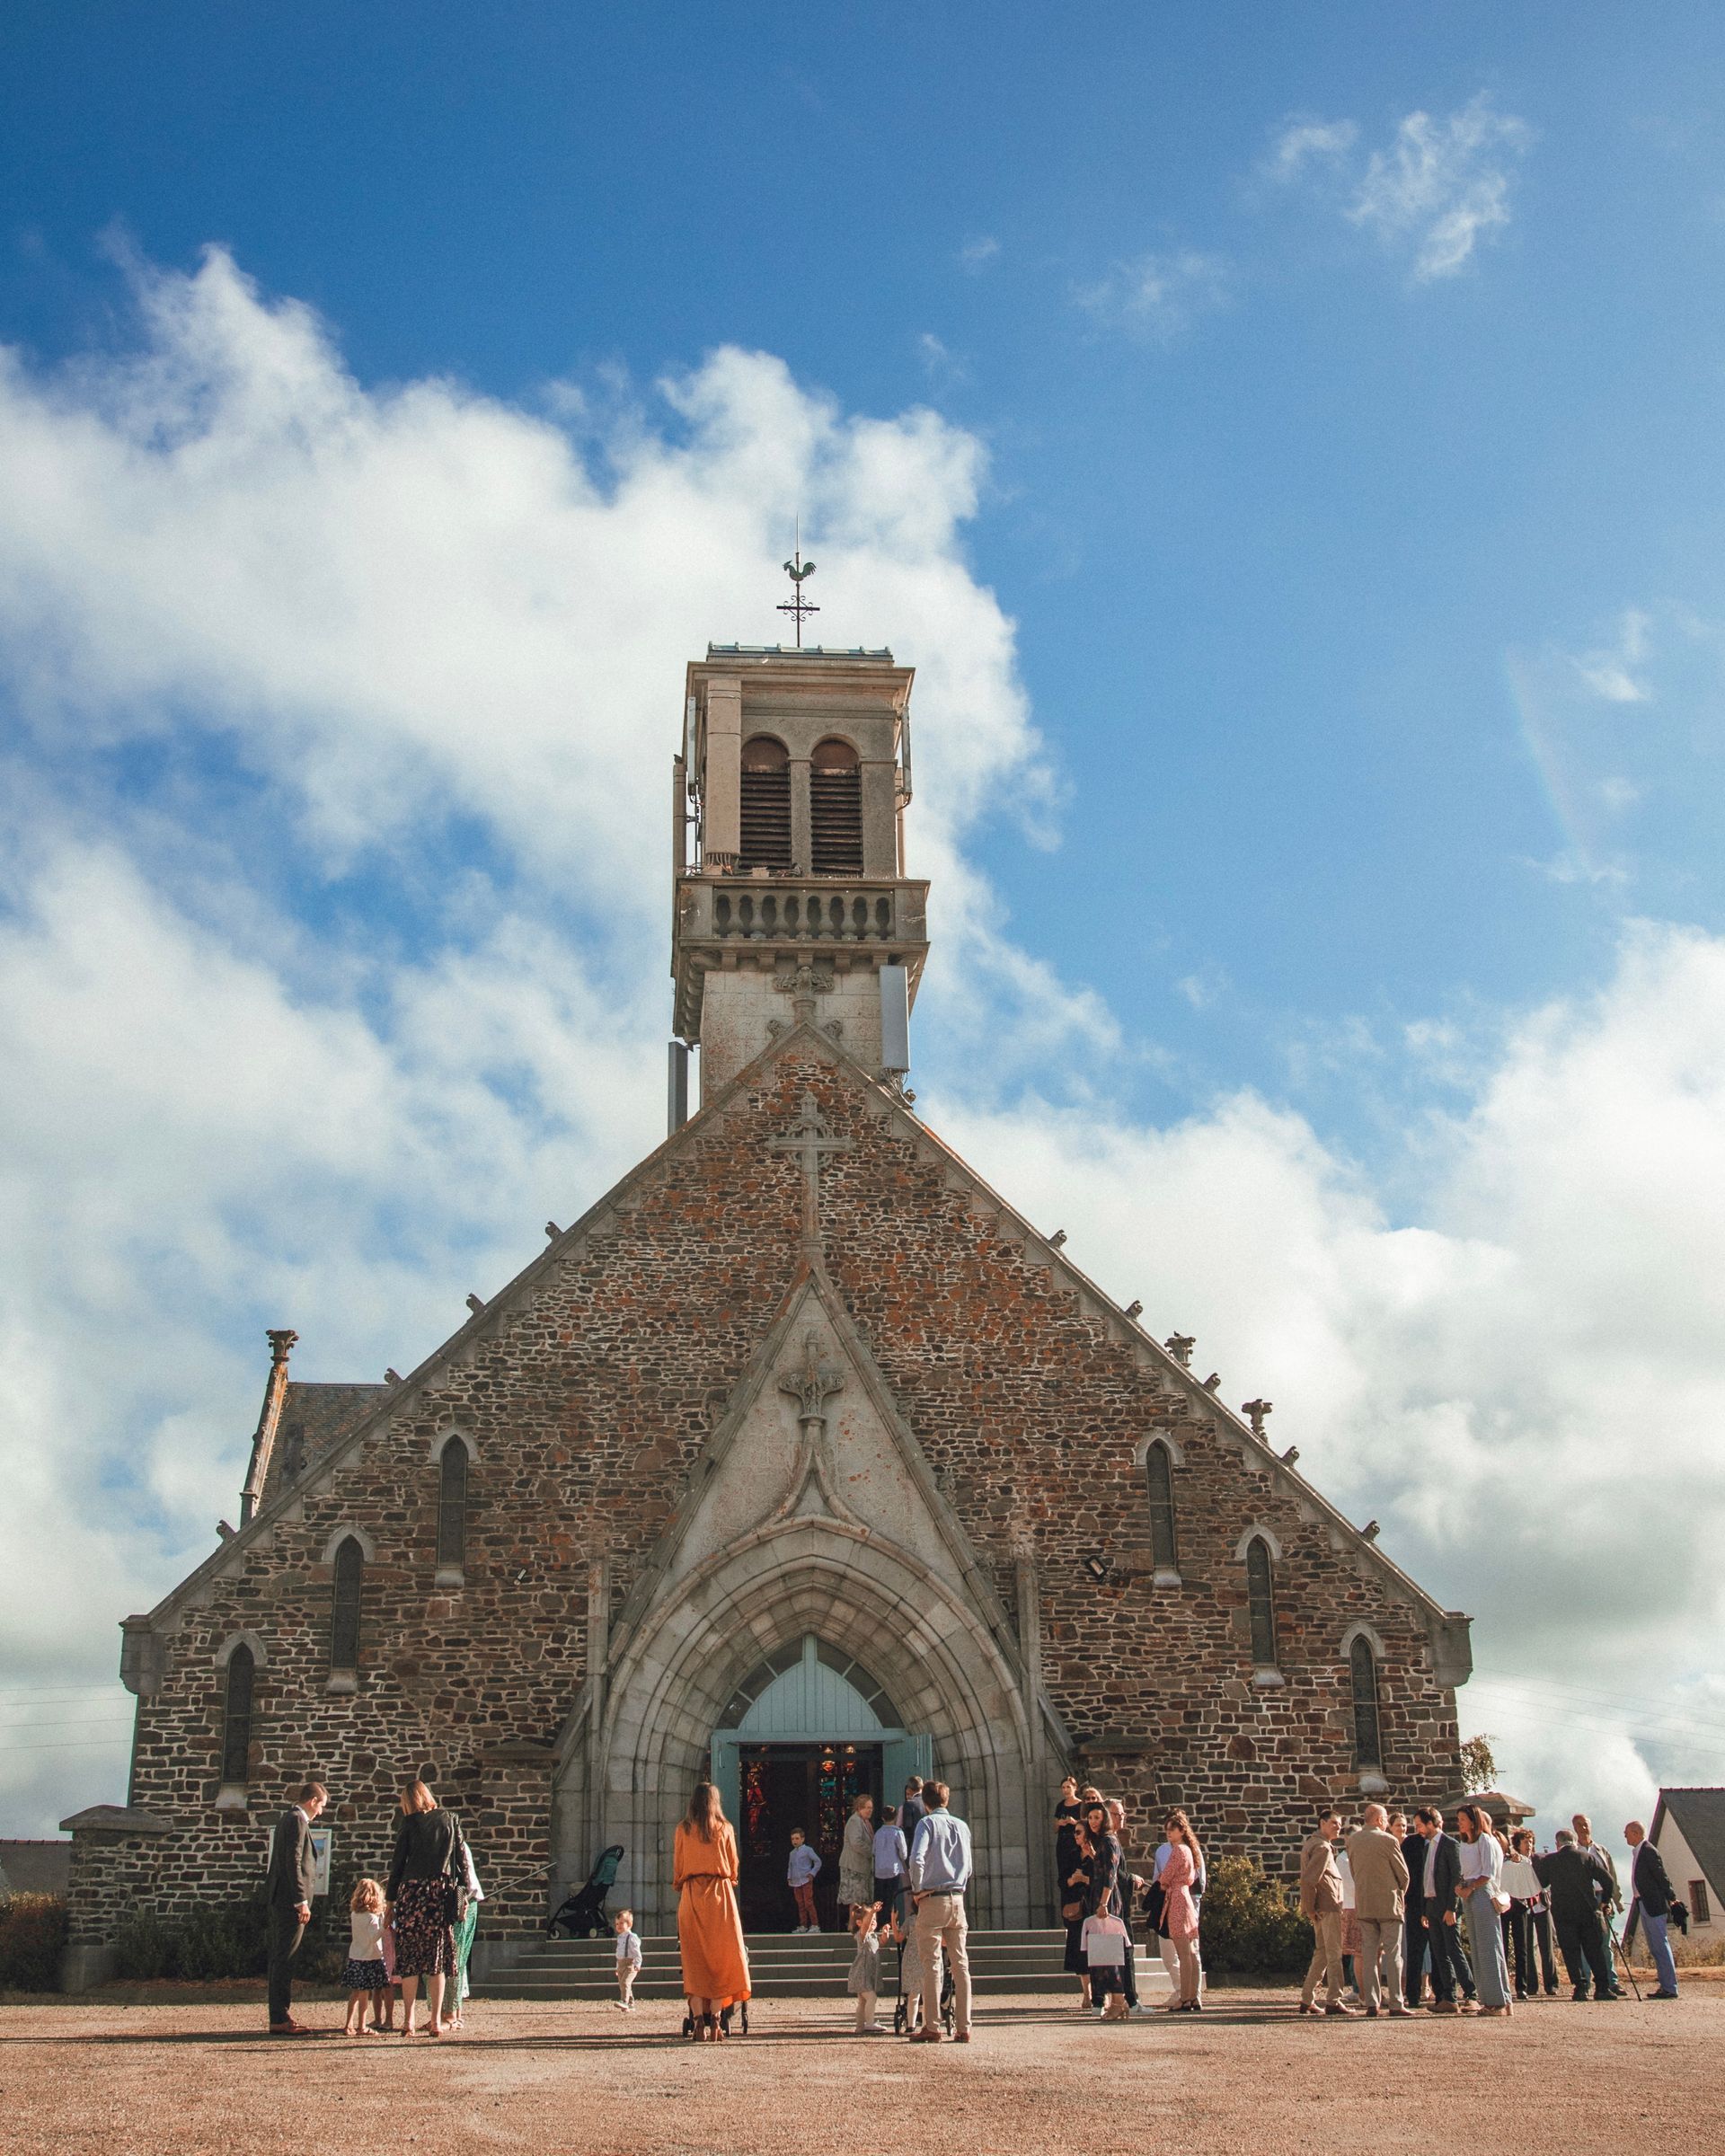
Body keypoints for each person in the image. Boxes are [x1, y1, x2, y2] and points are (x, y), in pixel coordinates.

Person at [385, 1779, 464, 2037]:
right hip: (439, 1894)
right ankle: (434, 2020)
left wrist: (390, 1902)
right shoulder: (450, 1819)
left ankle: (408, 2020)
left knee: (409, 1959)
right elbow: (461, 1861)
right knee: (435, 1959)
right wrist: (461, 1894)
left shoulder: (409, 1824)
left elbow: (398, 1863)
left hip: (412, 1893)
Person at [674, 1780, 751, 2041]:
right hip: (720, 1896)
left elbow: (678, 1866)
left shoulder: (683, 1829)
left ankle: (698, 2020)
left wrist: (682, 1883)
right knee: (721, 1961)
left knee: (693, 1961)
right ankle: (717, 2019)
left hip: (692, 1895)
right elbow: (733, 1865)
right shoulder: (725, 1828)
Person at [907, 1778, 973, 2044]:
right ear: (947, 1800)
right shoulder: (962, 1826)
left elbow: (916, 1858)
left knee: (932, 1964)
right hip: (957, 1899)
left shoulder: (927, 1823)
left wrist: (917, 1889)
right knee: (960, 1964)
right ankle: (964, 2027)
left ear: (925, 1803)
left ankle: (932, 2026)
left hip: (933, 1898)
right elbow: (967, 1865)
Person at [264, 1779, 327, 2036]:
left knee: (282, 1957)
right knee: (284, 1958)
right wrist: (301, 1901)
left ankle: (280, 2014)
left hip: (283, 1899)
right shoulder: (297, 1820)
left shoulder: (289, 1820)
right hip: (289, 1901)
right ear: (312, 1801)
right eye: (321, 1806)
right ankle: (280, 2017)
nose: (321, 1812)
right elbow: (293, 1862)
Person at [1533, 1829, 1616, 2001]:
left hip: (1563, 1913)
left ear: (1558, 1844)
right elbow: (1608, 1880)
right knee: (1594, 1950)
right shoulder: (1586, 1857)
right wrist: (1605, 1901)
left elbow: (1541, 1883)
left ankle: (1580, 1987)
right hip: (1588, 1910)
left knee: (1571, 1951)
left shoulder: (1551, 1860)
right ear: (1574, 1842)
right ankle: (1602, 1987)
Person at [1346, 1803, 1412, 2018]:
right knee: (1393, 1955)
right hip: (1388, 1904)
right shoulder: (1388, 1840)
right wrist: (1400, 1894)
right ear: (1378, 1820)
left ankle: (1372, 2002)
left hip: (1365, 1903)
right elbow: (1403, 1875)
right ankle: (1395, 2002)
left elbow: (1354, 1871)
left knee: (1368, 1954)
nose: (1385, 1823)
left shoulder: (1353, 1840)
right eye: (1384, 1819)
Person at [1413, 1806, 1475, 2013]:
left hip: (1446, 1906)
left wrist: (1452, 1908)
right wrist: (1424, 1910)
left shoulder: (1450, 1845)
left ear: (1431, 1824)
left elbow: (1456, 1878)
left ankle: (1471, 1994)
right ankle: (1449, 1997)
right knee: (1439, 1953)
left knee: (1453, 1950)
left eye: (1420, 1825)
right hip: (1431, 1906)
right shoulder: (1427, 1847)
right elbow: (1426, 1879)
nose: (1418, 1829)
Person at [1455, 1803, 1513, 2015]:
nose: (1459, 1823)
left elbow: (1487, 1873)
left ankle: (1498, 2000)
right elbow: (1467, 1870)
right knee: (1478, 1949)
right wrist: (1461, 1885)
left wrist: (1470, 1887)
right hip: (1469, 1893)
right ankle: (1488, 1998)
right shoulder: (1466, 1843)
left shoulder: (1486, 1841)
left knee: (1489, 1947)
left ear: (1473, 1820)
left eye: (1462, 1819)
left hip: (1482, 1893)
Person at [1078, 1799, 1129, 2019]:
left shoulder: (1109, 1841)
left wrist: (1103, 1903)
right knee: (1103, 1951)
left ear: (1105, 1819)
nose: (1093, 1822)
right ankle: (1118, 2002)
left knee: (1110, 1952)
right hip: (1100, 1898)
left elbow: (1110, 1874)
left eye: (1097, 1817)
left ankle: (1118, 2002)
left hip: (1106, 1901)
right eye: (1090, 1818)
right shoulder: (1102, 1842)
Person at [1298, 1809, 1350, 2016]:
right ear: (1322, 1823)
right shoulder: (1322, 1848)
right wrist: (1309, 1909)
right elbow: (1310, 1880)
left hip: (1322, 1907)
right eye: (1334, 1823)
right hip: (1327, 1907)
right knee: (1334, 1953)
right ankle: (1334, 2000)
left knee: (1321, 1953)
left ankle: (1307, 1998)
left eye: (1339, 1824)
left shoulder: (1315, 1844)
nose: (1338, 1827)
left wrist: (1310, 1908)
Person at [1624, 1821, 1681, 2000]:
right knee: (1655, 1947)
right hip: (1644, 1903)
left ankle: (1670, 1987)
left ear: (1635, 1833)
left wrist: (1671, 1897)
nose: (1625, 1836)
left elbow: (1660, 1875)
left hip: (1653, 1904)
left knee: (1660, 1945)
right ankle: (1665, 1985)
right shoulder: (1639, 1851)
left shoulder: (1648, 1850)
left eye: (1626, 1833)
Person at [1573, 1813, 1623, 1990]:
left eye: (1585, 1824)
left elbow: (1612, 1876)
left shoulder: (1601, 1850)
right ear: (1574, 1828)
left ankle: (1612, 1981)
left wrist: (1615, 1900)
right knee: (1585, 1942)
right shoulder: (1574, 1851)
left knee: (1605, 1941)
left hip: (1603, 1896)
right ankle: (1585, 1982)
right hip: (1583, 1899)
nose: (1583, 1828)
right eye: (1579, 1825)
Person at [1159, 1809, 1202, 2011]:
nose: (1168, 1833)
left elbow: (1165, 1877)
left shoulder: (1178, 1851)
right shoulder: (1189, 1850)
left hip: (1177, 1899)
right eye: (1167, 1829)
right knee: (1191, 1952)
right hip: (1185, 1898)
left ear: (1181, 1830)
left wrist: (1164, 1883)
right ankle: (1192, 1995)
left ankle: (1185, 1996)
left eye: (1172, 1829)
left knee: (1183, 1952)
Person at [1509, 1828, 1559, 1998]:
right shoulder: (1515, 1863)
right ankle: (1531, 1985)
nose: (1528, 1845)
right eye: (1525, 1842)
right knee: (1527, 1945)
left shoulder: (1540, 1860)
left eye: (1530, 1842)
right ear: (1518, 1845)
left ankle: (1551, 1983)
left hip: (1541, 1905)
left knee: (1547, 1946)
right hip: (1524, 1906)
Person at [1056, 1780, 1092, 2008]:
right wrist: (1071, 1880)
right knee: (1080, 1950)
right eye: (1075, 1833)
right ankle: (1087, 1994)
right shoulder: (1069, 1854)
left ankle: (1098, 1994)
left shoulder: (1098, 1854)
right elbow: (1062, 1880)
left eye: (1079, 1832)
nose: (1076, 1836)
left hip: (1094, 1905)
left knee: (1096, 1950)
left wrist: (1085, 1878)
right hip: (1075, 1905)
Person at [342, 1876, 390, 2037]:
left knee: (355, 1993)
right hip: (369, 1958)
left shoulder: (355, 1914)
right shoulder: (371, 1918)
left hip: (356, 1956)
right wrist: (384, 1925)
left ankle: (349, 2024)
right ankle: (362, 2025)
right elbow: (374, 1937)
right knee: (365, 1995)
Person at [448, 1834, 483, 2029]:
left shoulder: (456, 1848)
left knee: (455, 1961)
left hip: (462, 1903)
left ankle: (452, 2014)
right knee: (457, 1962)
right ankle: (454, 2013)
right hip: (465, 1901)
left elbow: (464, 1881)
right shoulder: (459, 1846)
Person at [1396, 1812, 1429, 2007]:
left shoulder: (1443, 1843)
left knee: (1437, 1951)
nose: (1416, 1828)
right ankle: (1413, 1995)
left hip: (1435, 1902)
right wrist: (1405, 1898)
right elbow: (1405, 1873)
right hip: (1415, 1902)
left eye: (1419, 1824)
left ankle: (1442, 1994)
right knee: (1415, 1952)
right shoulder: (1410, 1845)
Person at [839, 1793, 876, 1925]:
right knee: (855, 1899)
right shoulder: (855, 1821)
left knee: (862, 1899)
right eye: (866, 1807)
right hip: (854, 1867)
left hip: (862, 1867)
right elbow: (856, 1842)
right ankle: (853, 1926)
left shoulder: (865, 1823)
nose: (869, 1810)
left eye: (871, 1807)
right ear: (859, 1808)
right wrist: (871, 1852)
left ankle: (860, 1925)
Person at [848, 1901, 884, 2033]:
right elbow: (865, 1926)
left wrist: (885, 1934)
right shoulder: (862, 1935)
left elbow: (881, 1944)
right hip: (861, 1973)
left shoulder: (873, 1936)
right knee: (871, 1998)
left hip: (868, 1973)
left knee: (862, 2002)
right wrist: (872, 1912)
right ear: (859, 1923)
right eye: (870, 1919)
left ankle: (860, 2026)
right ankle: (870, 2023)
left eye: (874, 1919)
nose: (873, 1921)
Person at [873, 1804, 908, 1928]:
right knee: (892, 1897)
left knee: (880, 1898)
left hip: (880, 1870)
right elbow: (903, 1853)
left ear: (882, 1818)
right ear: (895, 1817)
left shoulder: (878, 1833)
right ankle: (891, 1923)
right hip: (893, 1869)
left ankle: (879, 1922)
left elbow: (874, 1851)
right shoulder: (898, 1832)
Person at [787, 1828, 821, 1932]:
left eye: (797, 1838)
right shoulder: (792, 1853)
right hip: (796, 1882)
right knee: (800, 1904)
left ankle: (815, 1925)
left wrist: (812, 1873)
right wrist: (789, 1877)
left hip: (806, 1880)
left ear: (802, 1839)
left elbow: (818, 1862)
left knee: (808, 1902)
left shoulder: (808, 1850)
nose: (795, 1841)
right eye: (793, 1839)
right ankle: (803, 1925)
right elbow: (790, 1866)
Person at [613, 1907, 642, 2011]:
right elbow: (619, 1953)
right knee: (623, 1984)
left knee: (626, 1982)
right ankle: (630, 2003)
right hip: (621, 1964)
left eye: (621, 1923)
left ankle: (624, 2001)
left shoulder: (632, 1937)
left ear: (629, 1924)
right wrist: (617, 1967)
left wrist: (638, 1963)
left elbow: (636, 1951)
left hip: (630, 1964)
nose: (618, 1926)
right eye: (617, 1924)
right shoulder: (620, 1938)